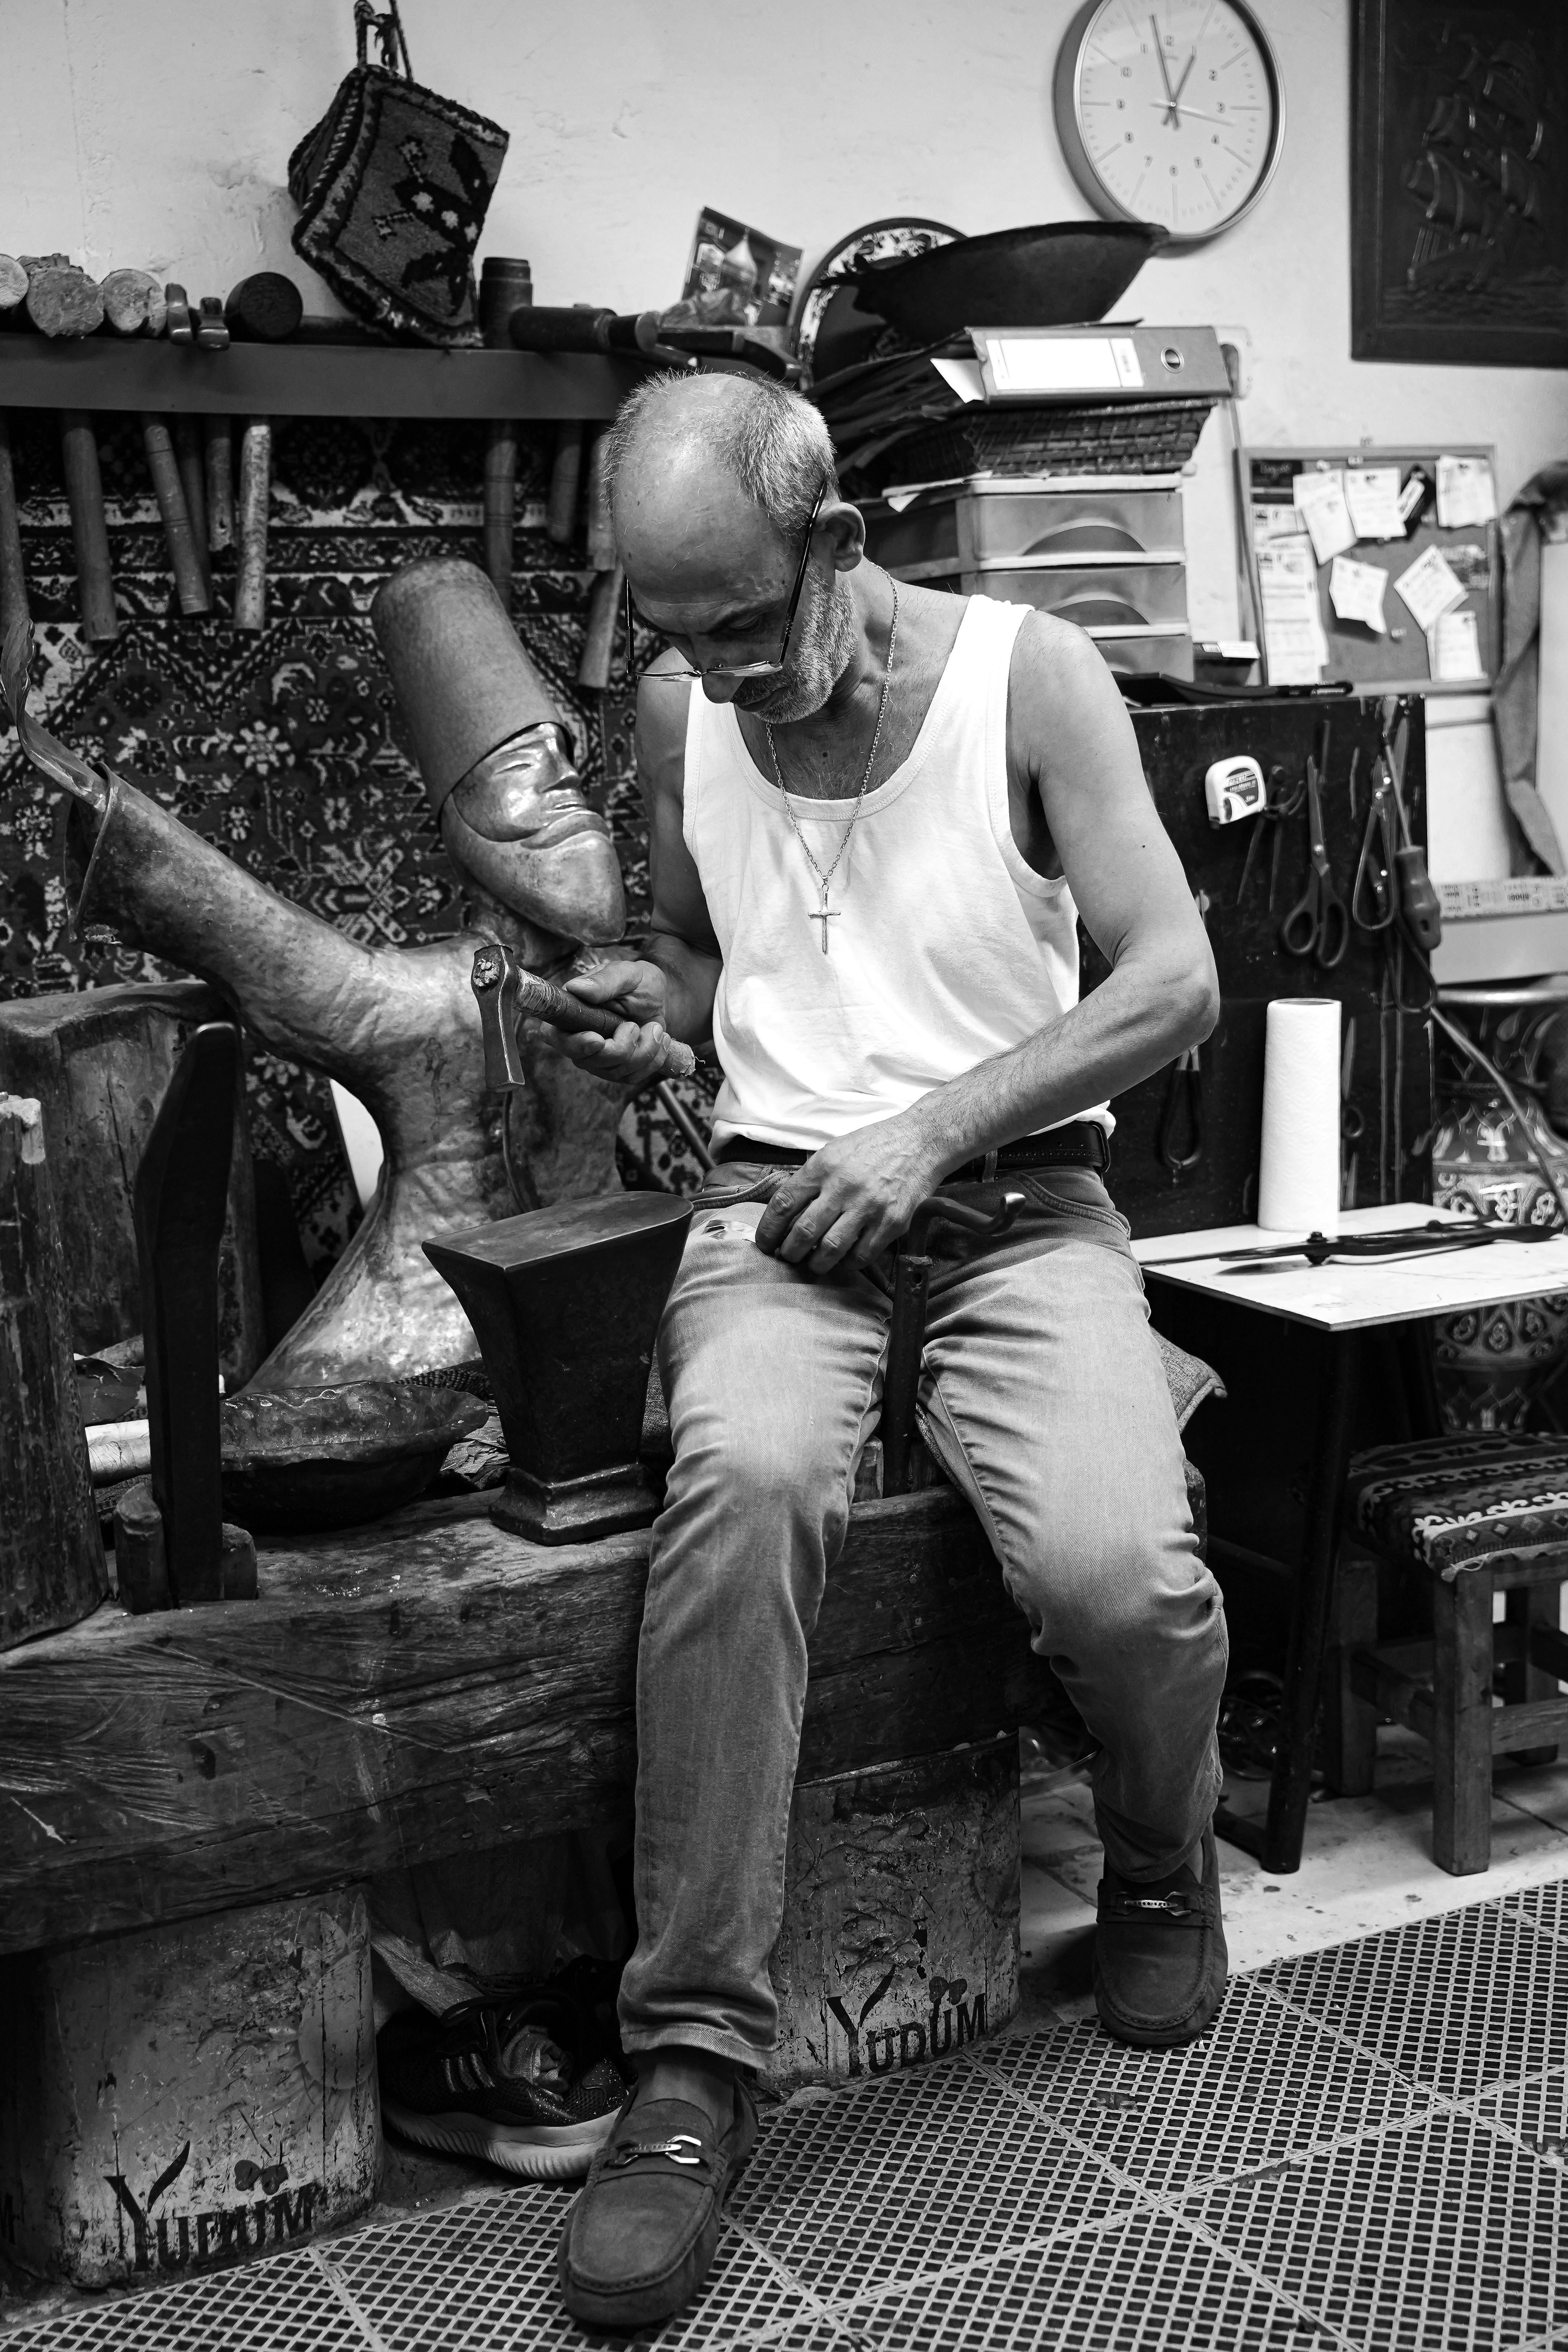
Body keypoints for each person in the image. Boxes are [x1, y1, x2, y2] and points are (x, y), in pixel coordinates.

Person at [552, 372, 1228, 2331]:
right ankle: (688, 2060)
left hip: (1015, 1207)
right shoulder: (689, 707)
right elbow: (706, 960)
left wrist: (937, 1125)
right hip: (783, 1217)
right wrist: (650, 1008)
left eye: (744, 623)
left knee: (1123, 1578)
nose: (711, 674)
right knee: (745, 1489)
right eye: (671, 636)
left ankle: (1162, 1850)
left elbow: (1176, 980)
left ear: (837, 541)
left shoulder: (1034, 680)